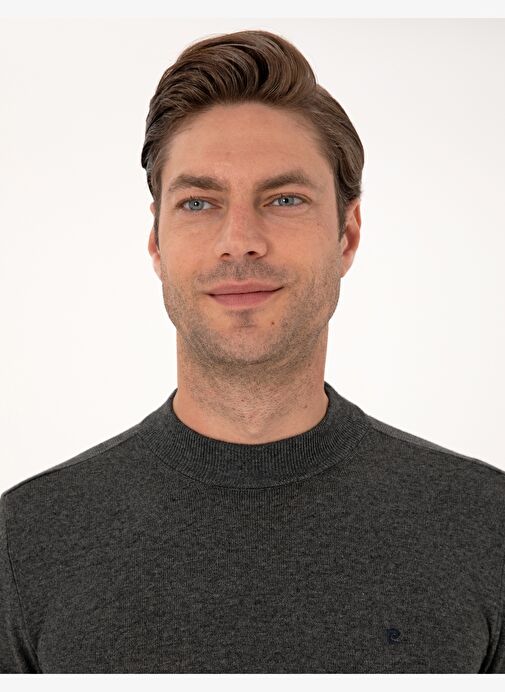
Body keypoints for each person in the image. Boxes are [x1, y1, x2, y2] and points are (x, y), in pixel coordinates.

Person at [1, 29, 504, 674]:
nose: (239, 240)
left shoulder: (486, 525)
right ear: (157, 244)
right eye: (199, 202)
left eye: (284, 199)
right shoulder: (26, 539)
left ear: (347, 236)